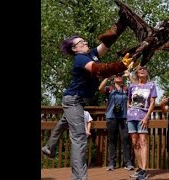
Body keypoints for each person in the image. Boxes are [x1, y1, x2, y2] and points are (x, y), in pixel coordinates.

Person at [41, 21, 134, 180]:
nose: (85, 43)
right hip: (74, 101)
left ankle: (49, 147)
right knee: (79, 138)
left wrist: (122, 24)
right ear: (74, 48)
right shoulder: (80, 59)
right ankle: (79, 178)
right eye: (81, 42)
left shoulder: (90, 53)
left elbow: (106, 43)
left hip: (75, 101)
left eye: (85, 41)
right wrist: (120, 66)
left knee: (65, 121)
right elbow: (98, 69)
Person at [99, 72, 134, 171]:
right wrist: (107, 76)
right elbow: (100, 88)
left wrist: (129, 76)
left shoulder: (126, 89)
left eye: (120, 75)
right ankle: (111, 163)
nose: (118, 76)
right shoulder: (110, 89)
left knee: (126, 139)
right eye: (116, 75)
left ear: (122, 78)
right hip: (111, 117)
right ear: (113, 79)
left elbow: (135, 88)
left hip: (124, 117)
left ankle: (128, 162)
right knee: (112, 140)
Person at [126, 66, 157, 179]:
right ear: (137, 73)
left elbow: (152, 102)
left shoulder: (151, 85)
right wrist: (128, 109)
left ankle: (144, 169)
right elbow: (128, 100)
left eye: (144, 69)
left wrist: (147, 117)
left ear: (147, 72)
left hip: (143, 116)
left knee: (143, 141)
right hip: (131, 117)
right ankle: (139, 168)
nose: (142, 70)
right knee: (135, 142)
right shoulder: (132, 86)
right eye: (140, 69)